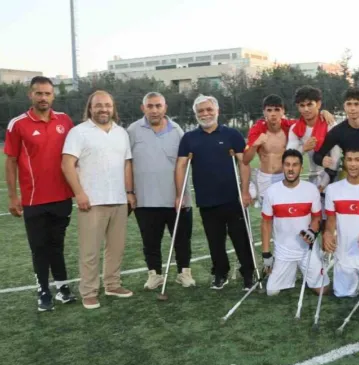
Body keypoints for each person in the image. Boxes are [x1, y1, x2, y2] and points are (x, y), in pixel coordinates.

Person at [4, 76, 77, 311]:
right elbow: (11, 161)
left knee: (57, 245)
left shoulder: (65, 121)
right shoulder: (18, 124)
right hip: (34, 200)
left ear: (53, 96)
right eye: (39, 93)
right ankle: (43, 291)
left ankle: (63, 288)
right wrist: (13, 196)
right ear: (31, 95)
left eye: (47, 93)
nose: (43, 97)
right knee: (39, 247)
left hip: (62, 197)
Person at [61, 90, 134, 310]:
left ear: (113, 108)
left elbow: (127, 164)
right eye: (99, 105)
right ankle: (89, 292)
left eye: (108, 105)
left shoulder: (121, 133)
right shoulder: (78, 132)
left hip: (118, 200)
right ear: (90, 108)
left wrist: (129, 192)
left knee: (116, 248)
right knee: (90, 250)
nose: (104, 109)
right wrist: (79, 193)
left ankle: (113, 284)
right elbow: (67, 164)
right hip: (91, 201)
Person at [176, 94, 255, 290]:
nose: (205, 114)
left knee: (241, 238)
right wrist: (180, 195)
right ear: (196, 114)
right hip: (207, 199)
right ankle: (220, 273)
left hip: (233, 198)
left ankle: (248, 273)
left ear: (217, 111)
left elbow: (244, 163)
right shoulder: (189, 138)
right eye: (200, 111)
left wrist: (245, 191)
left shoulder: (232, 134)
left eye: (209, 109)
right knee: (214, 241)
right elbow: (181, 166)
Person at [127, 92, 195, 290]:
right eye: (150, 106)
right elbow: (127, 162)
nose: (154, 110)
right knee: (150, 241)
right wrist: (129, 192)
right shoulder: (132, 130)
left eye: (158, 106)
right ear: (143, 108)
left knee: (182, 239)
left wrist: (181, 195)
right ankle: (154, 275)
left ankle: (184, 273)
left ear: (165, 108)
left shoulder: (177, 130)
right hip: (145, 199)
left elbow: (185, 163)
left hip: (177, 198)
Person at [261, 149, 329, 296]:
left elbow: (317, 218)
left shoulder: (311, 190)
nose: (291, 169)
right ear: (283, 167)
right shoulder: (272, 191)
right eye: (287, 165)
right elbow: (266, 223)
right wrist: (266, 254)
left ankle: (311, 268)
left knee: (322, 290)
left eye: (295, 165)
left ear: (301, 168)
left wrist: (312, 231)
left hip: (307, 250)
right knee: (272, 292)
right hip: (283, 251)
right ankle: (290, 270)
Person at [322, 146, 359, 297]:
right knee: (343, 295)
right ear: (344, 162)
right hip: (344, 257)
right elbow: (330, 219)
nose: (353, 164)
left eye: (357, 160)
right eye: (349, 160)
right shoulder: (332, 189)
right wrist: (328, 233)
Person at [313, 87, 359, 184]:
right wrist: (322, 160)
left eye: (356, 104)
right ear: (344, 106)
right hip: (349, 175)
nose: (352, 108)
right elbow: (317, 155)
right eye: (349, 104)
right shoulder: (338, 131)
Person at [286, 85, 342, 191]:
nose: (306, 109)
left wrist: (324, 184)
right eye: (302, 105)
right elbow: (288, 156)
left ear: (318, 104)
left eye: (310, 104)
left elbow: (336, 158)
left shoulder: (330, 124)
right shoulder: (295, 129)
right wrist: (304, 148)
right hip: (312, 177)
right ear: (298, 107)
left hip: (332, 178)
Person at [241, 95, 288, 207]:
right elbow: (246, 160)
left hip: (285, 177)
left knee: (285, 212)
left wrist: (324, 113)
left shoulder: (290, 127)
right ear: (264, 112)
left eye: (277, 110)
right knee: (267, 213)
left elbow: (309, 122)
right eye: (269, 110)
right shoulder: (257, 129)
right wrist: (255, 144)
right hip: (265, 178)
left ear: (283, 111)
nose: (273, 114)